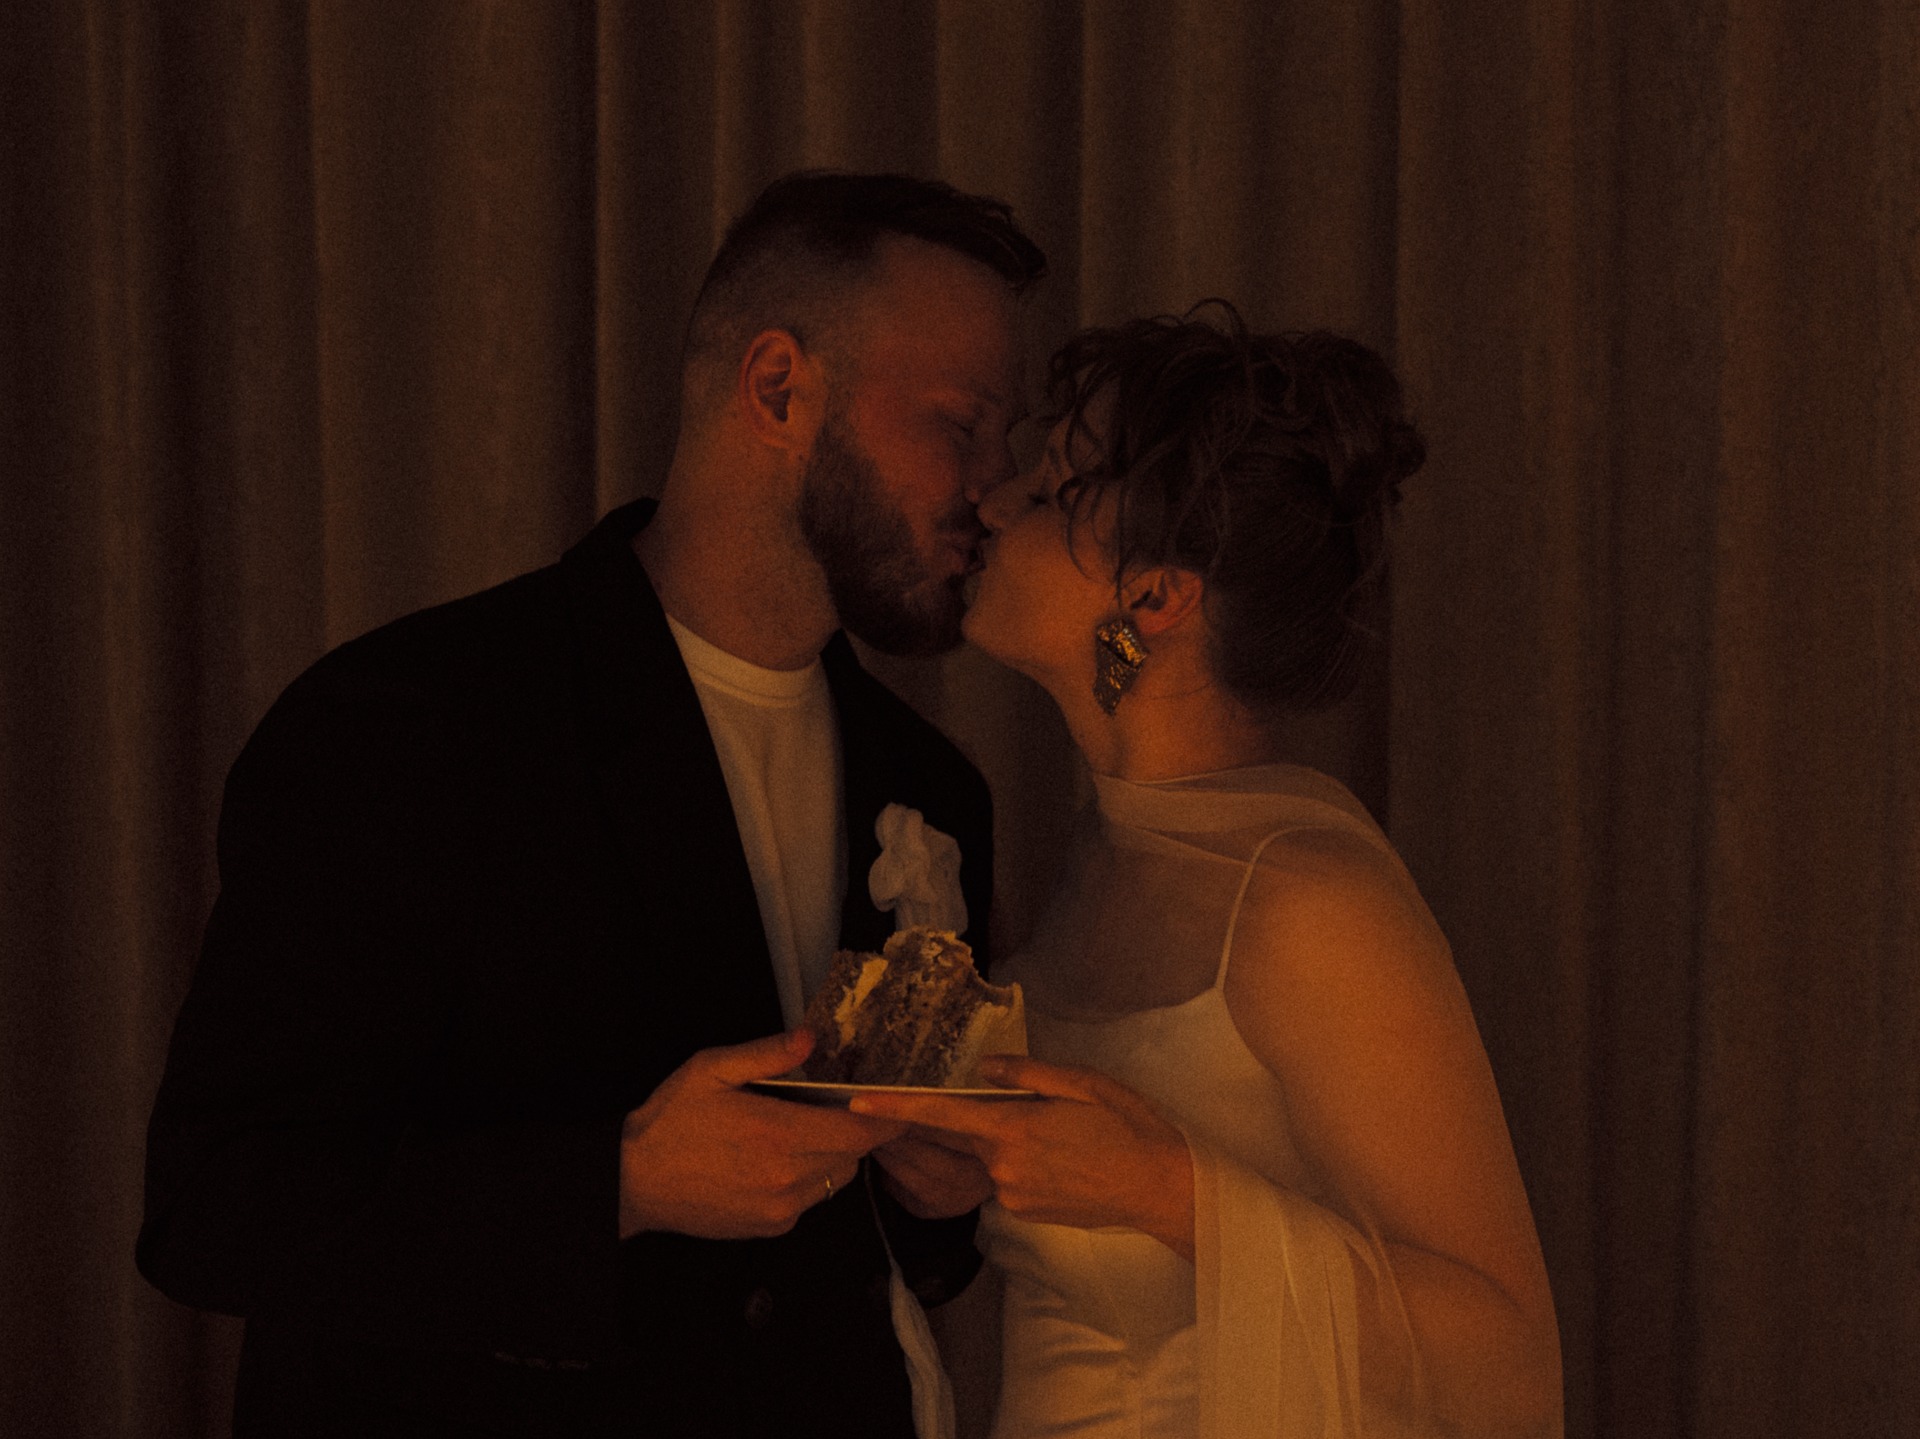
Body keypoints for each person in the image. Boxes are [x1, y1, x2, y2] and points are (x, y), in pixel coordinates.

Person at [137, 171, 1044, 1437]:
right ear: (778, 387)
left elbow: (892, 1265)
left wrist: (935, 1198)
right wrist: (616, 1184)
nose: (999, 488)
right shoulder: (408, 721)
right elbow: (214, 1204)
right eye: (964, 423)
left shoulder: (932, 786)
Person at [851, 305, 1565, 1437]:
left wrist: (1166, 1189)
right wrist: (971, 1166)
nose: (992, 502)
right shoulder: (1102, 852)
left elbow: (1510, 1369)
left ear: (1153, 595)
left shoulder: (1308, 904)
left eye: (1050, 487)